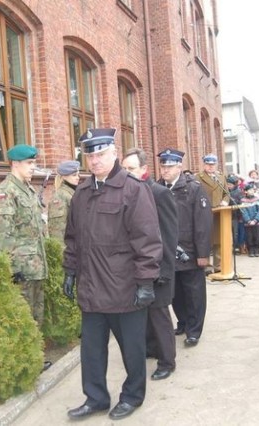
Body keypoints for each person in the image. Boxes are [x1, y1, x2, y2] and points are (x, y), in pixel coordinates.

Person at [62, 128, 162, 420]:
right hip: (92, 288)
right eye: (89, 155)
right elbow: (72, 238)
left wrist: (145, 281)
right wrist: (70, 271)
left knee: (132, 349)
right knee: (91, 351)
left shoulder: (133, 189)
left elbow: (148, 239)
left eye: (101, 154)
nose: (94, 161)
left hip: (124, 288)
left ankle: (133, 396)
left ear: (114, 153)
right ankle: (95, 398)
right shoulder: (80, 193)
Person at [122, 148, 178, 381]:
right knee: (143, 314)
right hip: (137, 267)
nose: (126, 173)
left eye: (131, 169)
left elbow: (168, 235)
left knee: (159, 315)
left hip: (158, 268)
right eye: (124, 169)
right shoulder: (126, 192)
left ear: (144, 169)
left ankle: (167, 361)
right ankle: (151, 348)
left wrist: (163, 270)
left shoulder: (159, 193)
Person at [158, 148, 212, 347]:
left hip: (189, 251)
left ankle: (194, 330)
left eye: (169, 166)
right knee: (175, 293)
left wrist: (203, 253)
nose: (165, 170)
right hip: (168, 252)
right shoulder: (158, 187)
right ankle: (182, 322)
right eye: (163, 166)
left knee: (194, 293)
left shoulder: (193, 188)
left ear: (179, 166)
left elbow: (203, 223)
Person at [0, 144, 48, 327]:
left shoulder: (28, 189)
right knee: (23, 319)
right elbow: (1, 236)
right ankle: (29, 355)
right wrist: (14, 269)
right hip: (22, 271)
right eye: (29, 162)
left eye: (34, 162)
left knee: (36, 317)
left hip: (35, 266)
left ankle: (37, 355)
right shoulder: (6, 192)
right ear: (15, 163)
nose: (33, 167)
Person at [197, 154, 228, 272]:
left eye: (212, 165)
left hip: (219, 213)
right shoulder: (198, 178)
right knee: (206, 241)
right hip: (204, 213)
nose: (210, 167)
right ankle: (206, 267)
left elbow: (226, 194)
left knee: (218, 240)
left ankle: (218, 266)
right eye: (208, 164)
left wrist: (225, 202)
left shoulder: (221, 177)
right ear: (204, 165)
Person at [47, 160, 80, 241]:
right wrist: (63, 252)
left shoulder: (73, 193)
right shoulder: (60, 196)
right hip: (68, 249)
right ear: (64, 177)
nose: (77, 178)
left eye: (78, 175)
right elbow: (57, 230)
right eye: (74, 175)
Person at [239, 184, 259, 257]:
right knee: (249, 236)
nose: (252, 191)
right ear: (246, 191)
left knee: (257, 236)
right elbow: (243, 211)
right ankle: (251, 249)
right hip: (248, 223)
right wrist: (248, 220)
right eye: (250, 190)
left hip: (256, 222)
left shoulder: (257, 199)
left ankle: (257, 249)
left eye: (253, 189)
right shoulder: (243, 200)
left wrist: (256, 220)